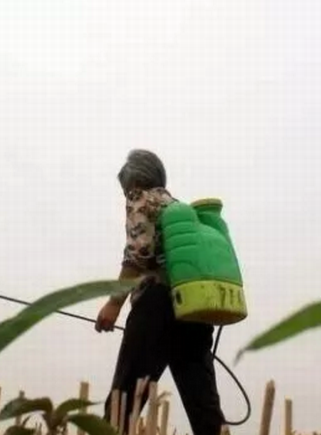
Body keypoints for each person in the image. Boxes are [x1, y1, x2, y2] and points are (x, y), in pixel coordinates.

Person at [95, 149, 226, 435]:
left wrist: (113, 304)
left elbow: (138, 255)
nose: (127, 195)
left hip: (156, 308)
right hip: (193, 309)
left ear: (133, 183)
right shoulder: (181, 210)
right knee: (205, 408)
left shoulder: (140, 198)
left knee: (124, 400)